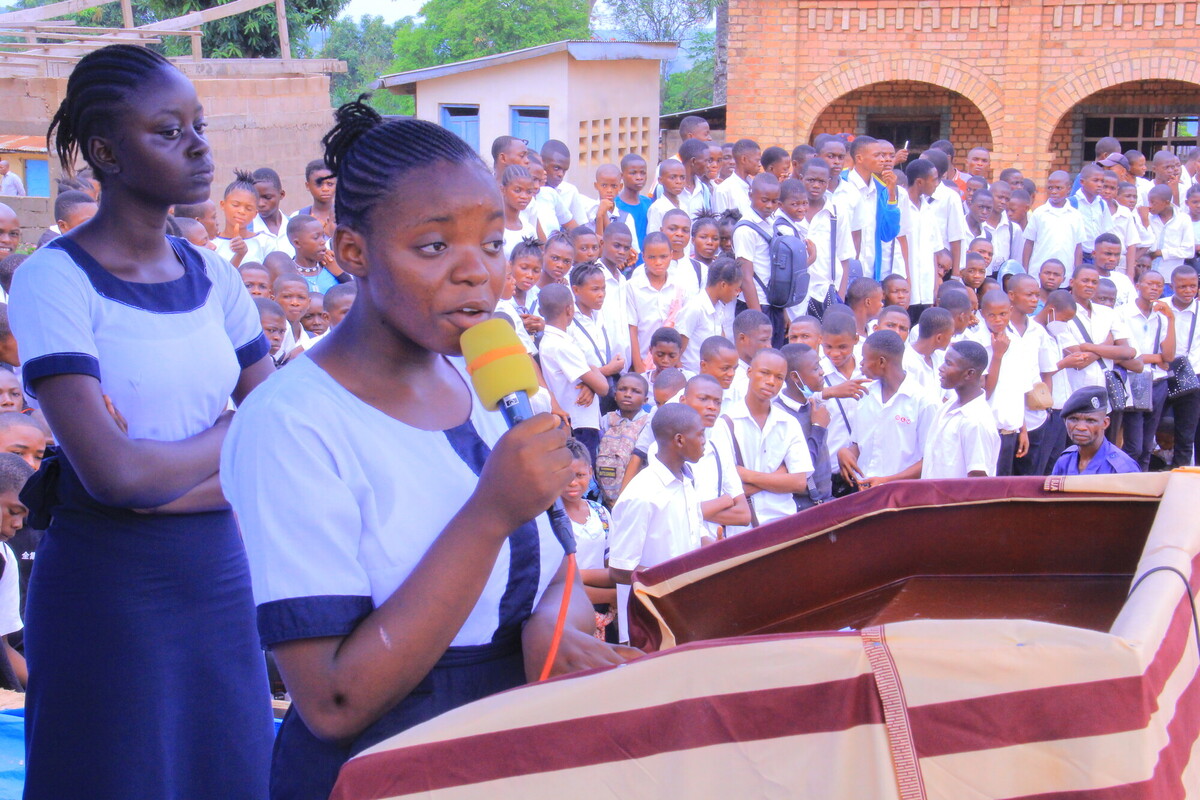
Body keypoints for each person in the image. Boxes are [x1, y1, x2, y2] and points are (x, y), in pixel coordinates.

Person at [224, 106, 637, 800]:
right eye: (433, 247)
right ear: (352, 253)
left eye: (494, 243)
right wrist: (488, 514)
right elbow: (330, 702)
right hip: (384, 764)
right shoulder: (293, 423)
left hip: (504, 744)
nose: (477, 273)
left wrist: (549, 624)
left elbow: (554, 561)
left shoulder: (484, 384)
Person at [11, 45, 276, 798]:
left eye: (199, 125)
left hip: (218, 579)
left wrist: (159, 474)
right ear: (106, 153)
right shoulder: (53, 281)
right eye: (169, 131)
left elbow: (282, 436)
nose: (199, 147)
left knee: (229, 772)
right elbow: (112, 472)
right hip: (108, 593)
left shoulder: (216, 277)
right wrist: (232, 436)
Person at [711, 348, 812, 533]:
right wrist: (779, 476)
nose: (771, 382)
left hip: (785, 525)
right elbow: (728, 487)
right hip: (741, 530)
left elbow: (799, 482)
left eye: (779, 377)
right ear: (749, 372)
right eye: (764, 373)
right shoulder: (725, 423)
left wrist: (747, 475)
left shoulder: (789, 423)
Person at [609, 403, 708, 583]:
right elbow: (619, 569)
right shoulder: (642, 495)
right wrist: (673, 577)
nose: (704, 441)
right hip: (651, 607)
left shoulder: (686, 481)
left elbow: (694, 533)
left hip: (683, 601)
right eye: (700, 434)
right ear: (679, 440)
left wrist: (719, 550)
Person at [837, 330, 937, 489]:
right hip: (863, 491)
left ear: (881, 362)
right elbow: (859, 444)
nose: (861, 364)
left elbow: (930, 460)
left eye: (865, 359)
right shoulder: (865, 393)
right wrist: (845, 453)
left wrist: (887, 481)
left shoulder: (923, 402)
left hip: (901, 496)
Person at [539, 283, 608, 461]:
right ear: (570, 309)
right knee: (584, 475)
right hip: (578, 422)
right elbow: (603, 387)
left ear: (540, 310)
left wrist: (590, 383)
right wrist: (593, 373)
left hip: (578, 419)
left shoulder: (557, 341)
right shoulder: (560, 345)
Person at [559, 438, 617, 641]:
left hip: (603, 611)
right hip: (566, 611)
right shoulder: (548, 519)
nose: (573, 482)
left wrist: (577, 575)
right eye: (565, 476)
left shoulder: (600, 513)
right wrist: (614, 595)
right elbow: (557, 583)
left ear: (591, 473)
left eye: (580, 475)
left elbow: (611, 563)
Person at [922, 340, 1002, 478]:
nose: (941, 368)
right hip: (931, 498)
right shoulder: (949, 406)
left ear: (969, 374)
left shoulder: (976, 421)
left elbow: (978, 480)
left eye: (948, 363)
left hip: (952, 500)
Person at [1120, 269, 1175, 469]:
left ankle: (1141, 486)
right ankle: (1125, 484)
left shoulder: (1161, 316)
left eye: (1159, 285)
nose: (1154, 288)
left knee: (1146, 445)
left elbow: (1168, 356)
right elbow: (1125, 353)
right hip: (1134, 379)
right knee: (1133, 444)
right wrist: (1155, 357)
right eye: (1149, 284)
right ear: (1137, 286)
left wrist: (1172, 320)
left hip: (1157, 381)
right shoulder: (1123, 314)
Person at [776, 343, 833, 508]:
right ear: (795, 377)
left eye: (820, 365)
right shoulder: (782, 416)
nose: (822, 371)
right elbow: (802, 470)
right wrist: (818, 428)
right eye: (815, 369)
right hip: (803, 506)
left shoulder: (812, 404)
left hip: (824, 500)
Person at [1051, 387, 1141, 475]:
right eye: (1073, 419)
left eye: (1090, 421)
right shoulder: (1065, 460)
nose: (1081, 427)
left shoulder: (1122, 468)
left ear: (1105, 423)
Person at [675, 255, 741, 373]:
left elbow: (722, 343)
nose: (737, 294)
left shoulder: (719, 308)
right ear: (723, 285)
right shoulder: (695, 308)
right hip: (691, 378)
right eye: (736, 289)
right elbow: (676, 353)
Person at [1023, 171, 1086, 273]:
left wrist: (1077, 273)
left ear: (1069, 189)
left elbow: (1078, 247)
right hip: (1038, 272)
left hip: (1066, 274)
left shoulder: (1076, 216)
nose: (1054, 191)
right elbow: (1029, 243)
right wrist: (1025, 269)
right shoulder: (1039, 213)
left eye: (1058, 188)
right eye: (1050, 188)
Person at [213, 169, 271, 268]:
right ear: (223, 205)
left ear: (255, 214)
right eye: (235, 205)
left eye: (249, 208)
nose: (241, 211)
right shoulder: (212, 245)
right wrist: (240, 255)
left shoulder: (264, 243)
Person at [250, 167, 294, 257]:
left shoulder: (294, 227)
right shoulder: (248, 231)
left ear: (281, 195)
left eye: (267, 197)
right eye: (256, 198)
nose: (261, 203)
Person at [713, 138, 760, 217]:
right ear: (744, 159)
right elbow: (720, 223)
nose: (759, 164)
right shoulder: (723, 190)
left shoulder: (756, 187)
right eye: (757, 160)